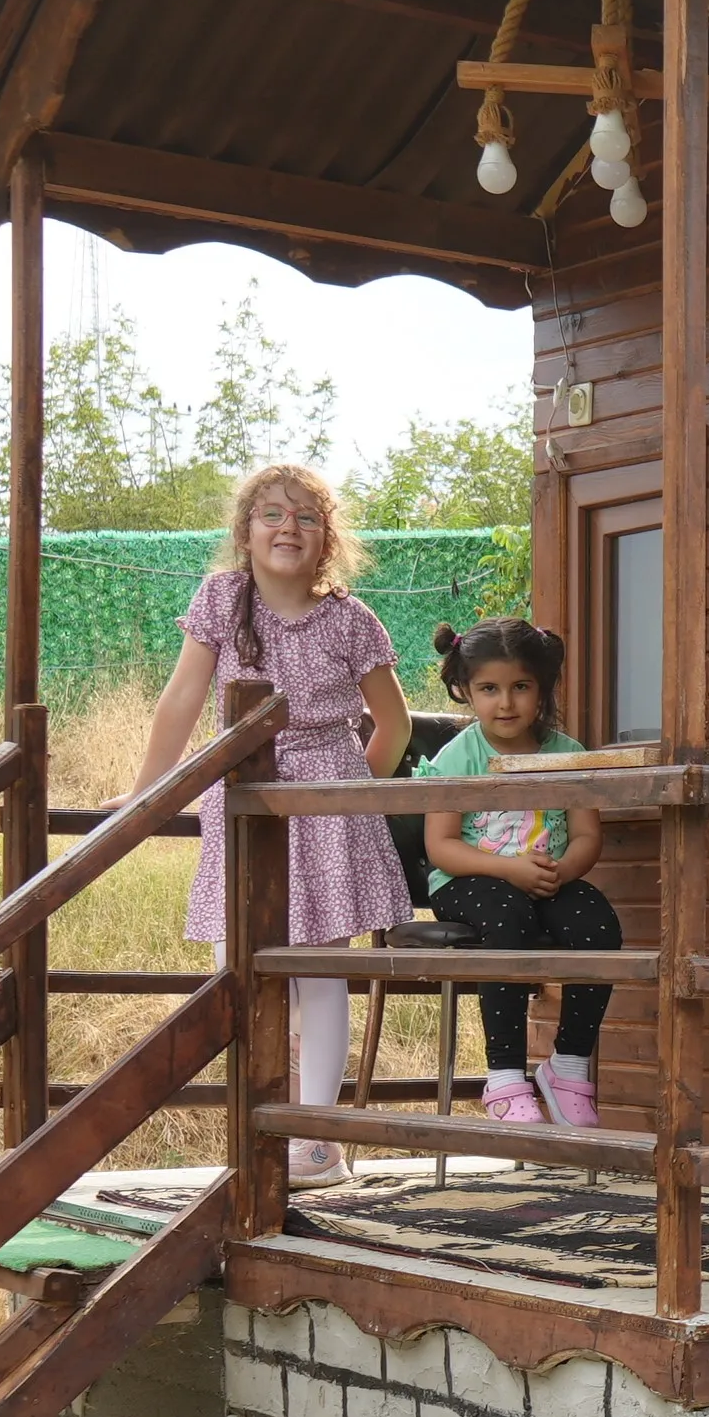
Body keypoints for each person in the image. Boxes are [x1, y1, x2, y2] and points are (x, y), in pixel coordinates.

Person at [132, 462, 412, 1186]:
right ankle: (254, 1126)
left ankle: (316, 1140)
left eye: (306, 517)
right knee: (242, 963)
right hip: (244, 797)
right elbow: (181, 700)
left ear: (328, 539)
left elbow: (394, 722)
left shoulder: (351, 619)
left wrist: (355, 800)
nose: (288, 528)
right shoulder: (223, 600)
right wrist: (145, 793)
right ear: (246, 532)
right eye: (272, 515)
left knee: (318, 972)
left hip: (327, 807)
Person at [418, 617, 621, 1129]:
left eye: (520, 688)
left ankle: (569, 1065)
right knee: (506, 918)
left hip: (546, 880)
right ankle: (505, 1075)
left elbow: (585, 838)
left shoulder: (568, 756)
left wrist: (560, 872)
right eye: (489, 689)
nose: (505, 703)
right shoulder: (458, 756)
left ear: (542, 689)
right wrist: (508, 869)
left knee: (597, 923)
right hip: (470, 879)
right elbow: (441, 847)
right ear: (465, 690)